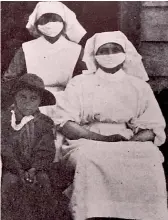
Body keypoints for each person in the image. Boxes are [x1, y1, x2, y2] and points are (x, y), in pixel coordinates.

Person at [53, 31, 168, 220]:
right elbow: (66, 124)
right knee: (88, 158)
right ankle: (91, 214)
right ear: (94, 56)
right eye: (104, 51)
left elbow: (152, 126)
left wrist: (131, 141)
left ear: (125, 53)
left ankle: (143, 214)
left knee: (150, 156)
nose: (109, 55)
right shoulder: (80, 83)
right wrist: (104, 139)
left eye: (115, 50)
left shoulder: (139, 86)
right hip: (87, 138)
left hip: (128, 138)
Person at [2, 1, 87, 114]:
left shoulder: (76, 50)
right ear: (37, 24)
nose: (50, 24)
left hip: (67, 102)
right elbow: (10, 79)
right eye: (45, 20)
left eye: (55, 19)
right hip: (31, 101)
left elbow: (85, 81)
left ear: (64, 23)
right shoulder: (26, 48)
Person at [1, 74, 56, 220]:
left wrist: (34, 169)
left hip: (35, 168)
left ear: (39, 102)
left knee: (43, 182)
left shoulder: (45, 123)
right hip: (10, 167)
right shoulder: (4, 119)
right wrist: (17, 168)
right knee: (9, 182)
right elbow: (4, 147)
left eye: (33, 99)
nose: (27, 103)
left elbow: (46, 150)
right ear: (15, 97)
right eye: (22, 97)